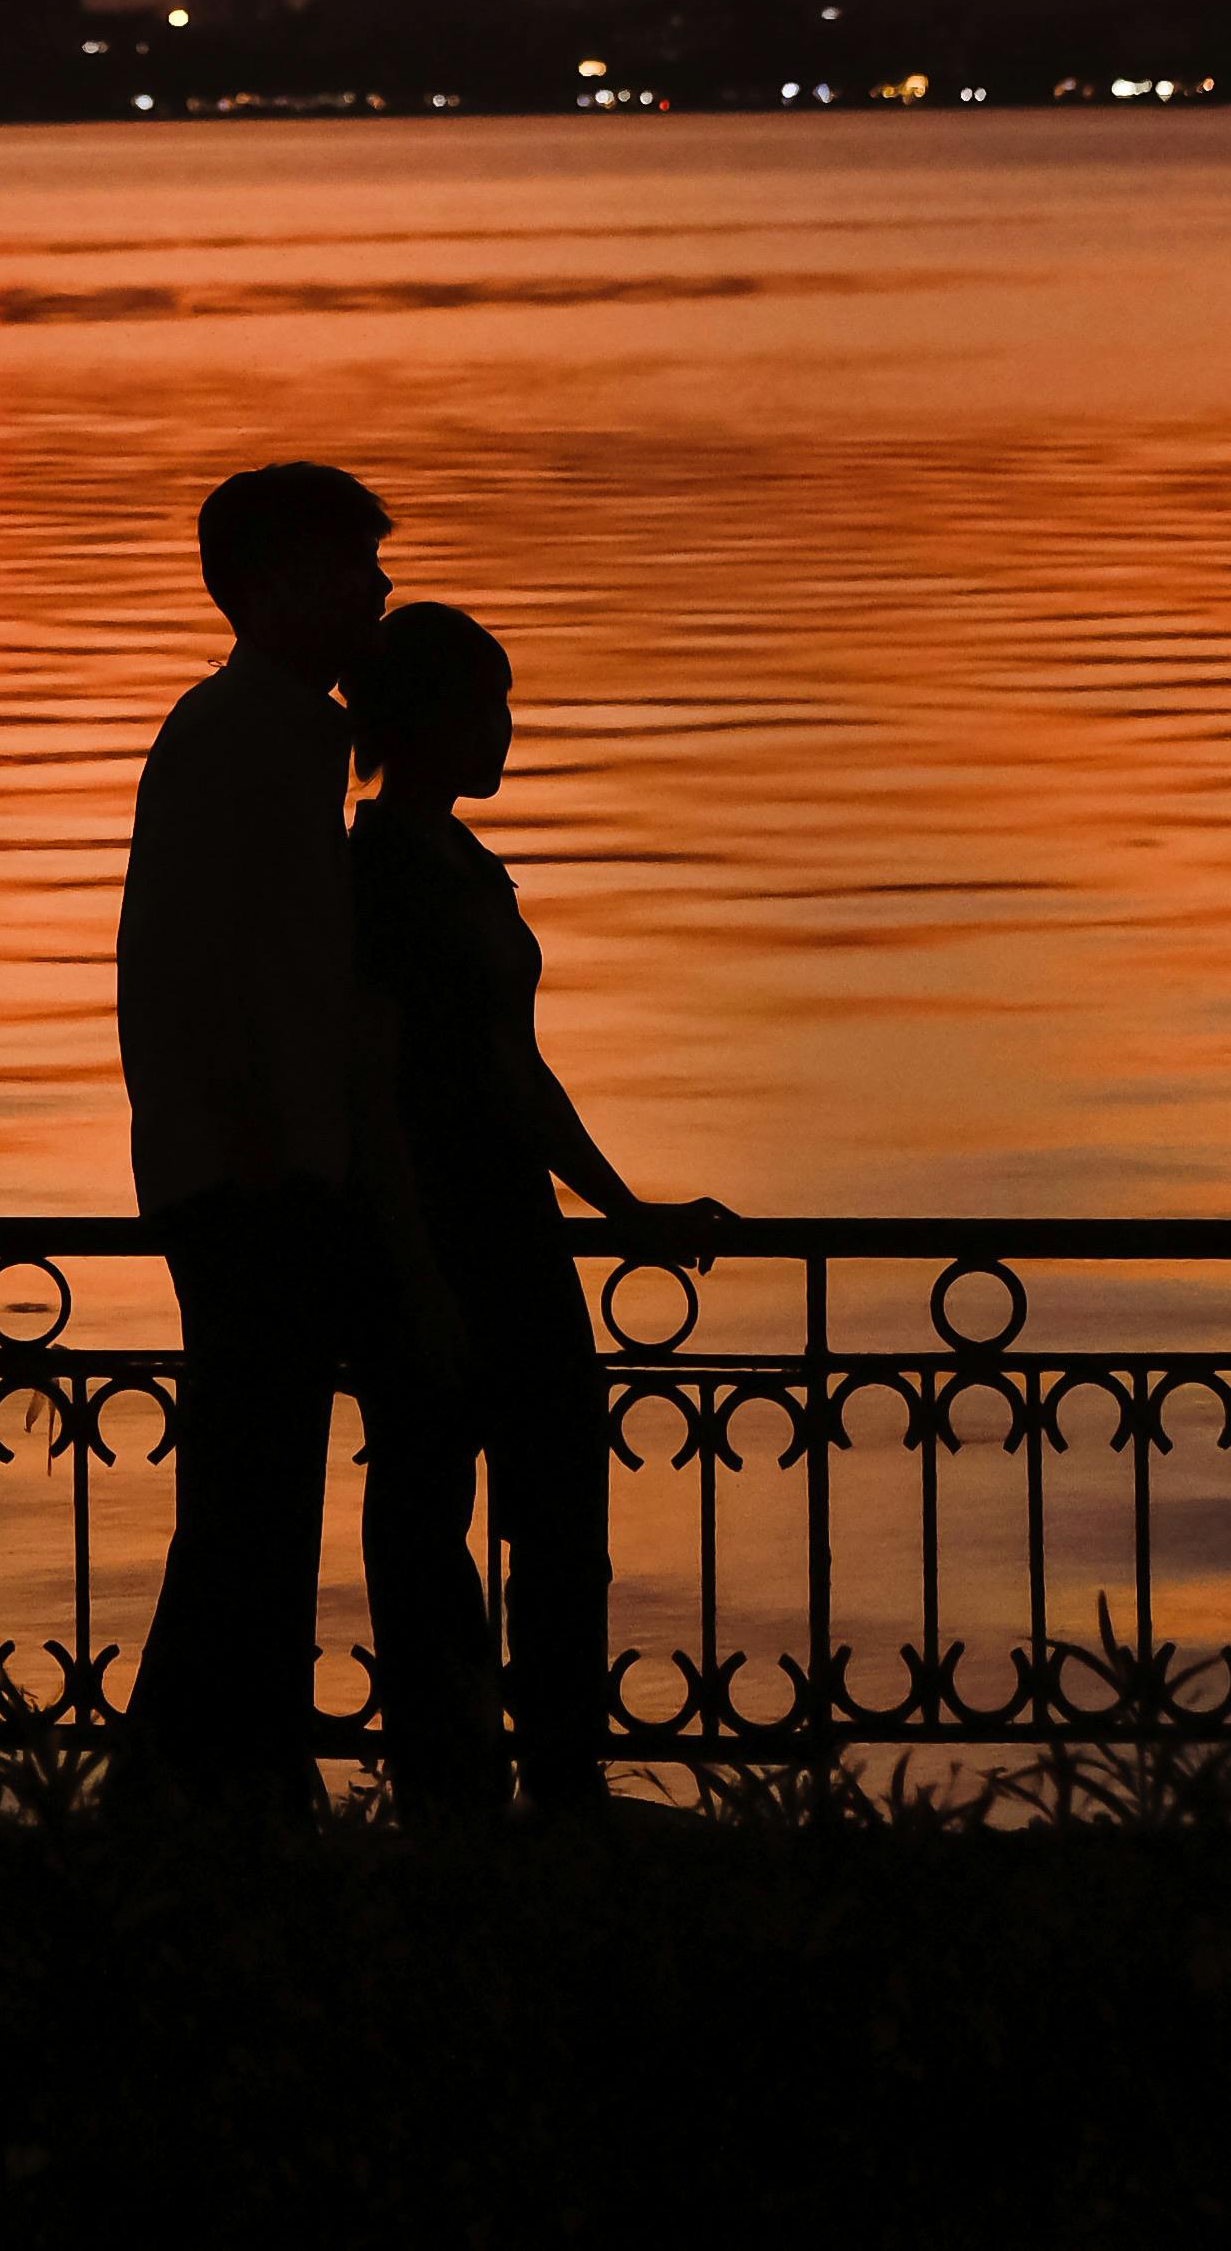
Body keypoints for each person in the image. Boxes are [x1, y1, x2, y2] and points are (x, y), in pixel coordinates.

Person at [345, 600, 733, 1818]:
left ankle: (555, 1775)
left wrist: (624, 1213)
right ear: (420, 723)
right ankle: (456, 1789)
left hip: (510, 1228)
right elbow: (377, 1089)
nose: (505, 730)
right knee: (431, 1524)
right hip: (442, 1237)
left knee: (556, 1515)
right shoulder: (381, 875)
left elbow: (520, 1070)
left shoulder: (457, 863)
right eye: (486, 708)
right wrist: (410, 1277)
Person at [114, 455, 394, 1805]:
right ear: (274, 586)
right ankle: (213, 1779)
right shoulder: (244, 735)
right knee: (251, 1494)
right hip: (249, 1182)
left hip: (249, 1171)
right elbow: (211, 974)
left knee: (254, 1492)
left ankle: (205, 1775)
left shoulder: (275, 732)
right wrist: (268, 1162)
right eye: (355, 568)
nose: (377, 591)